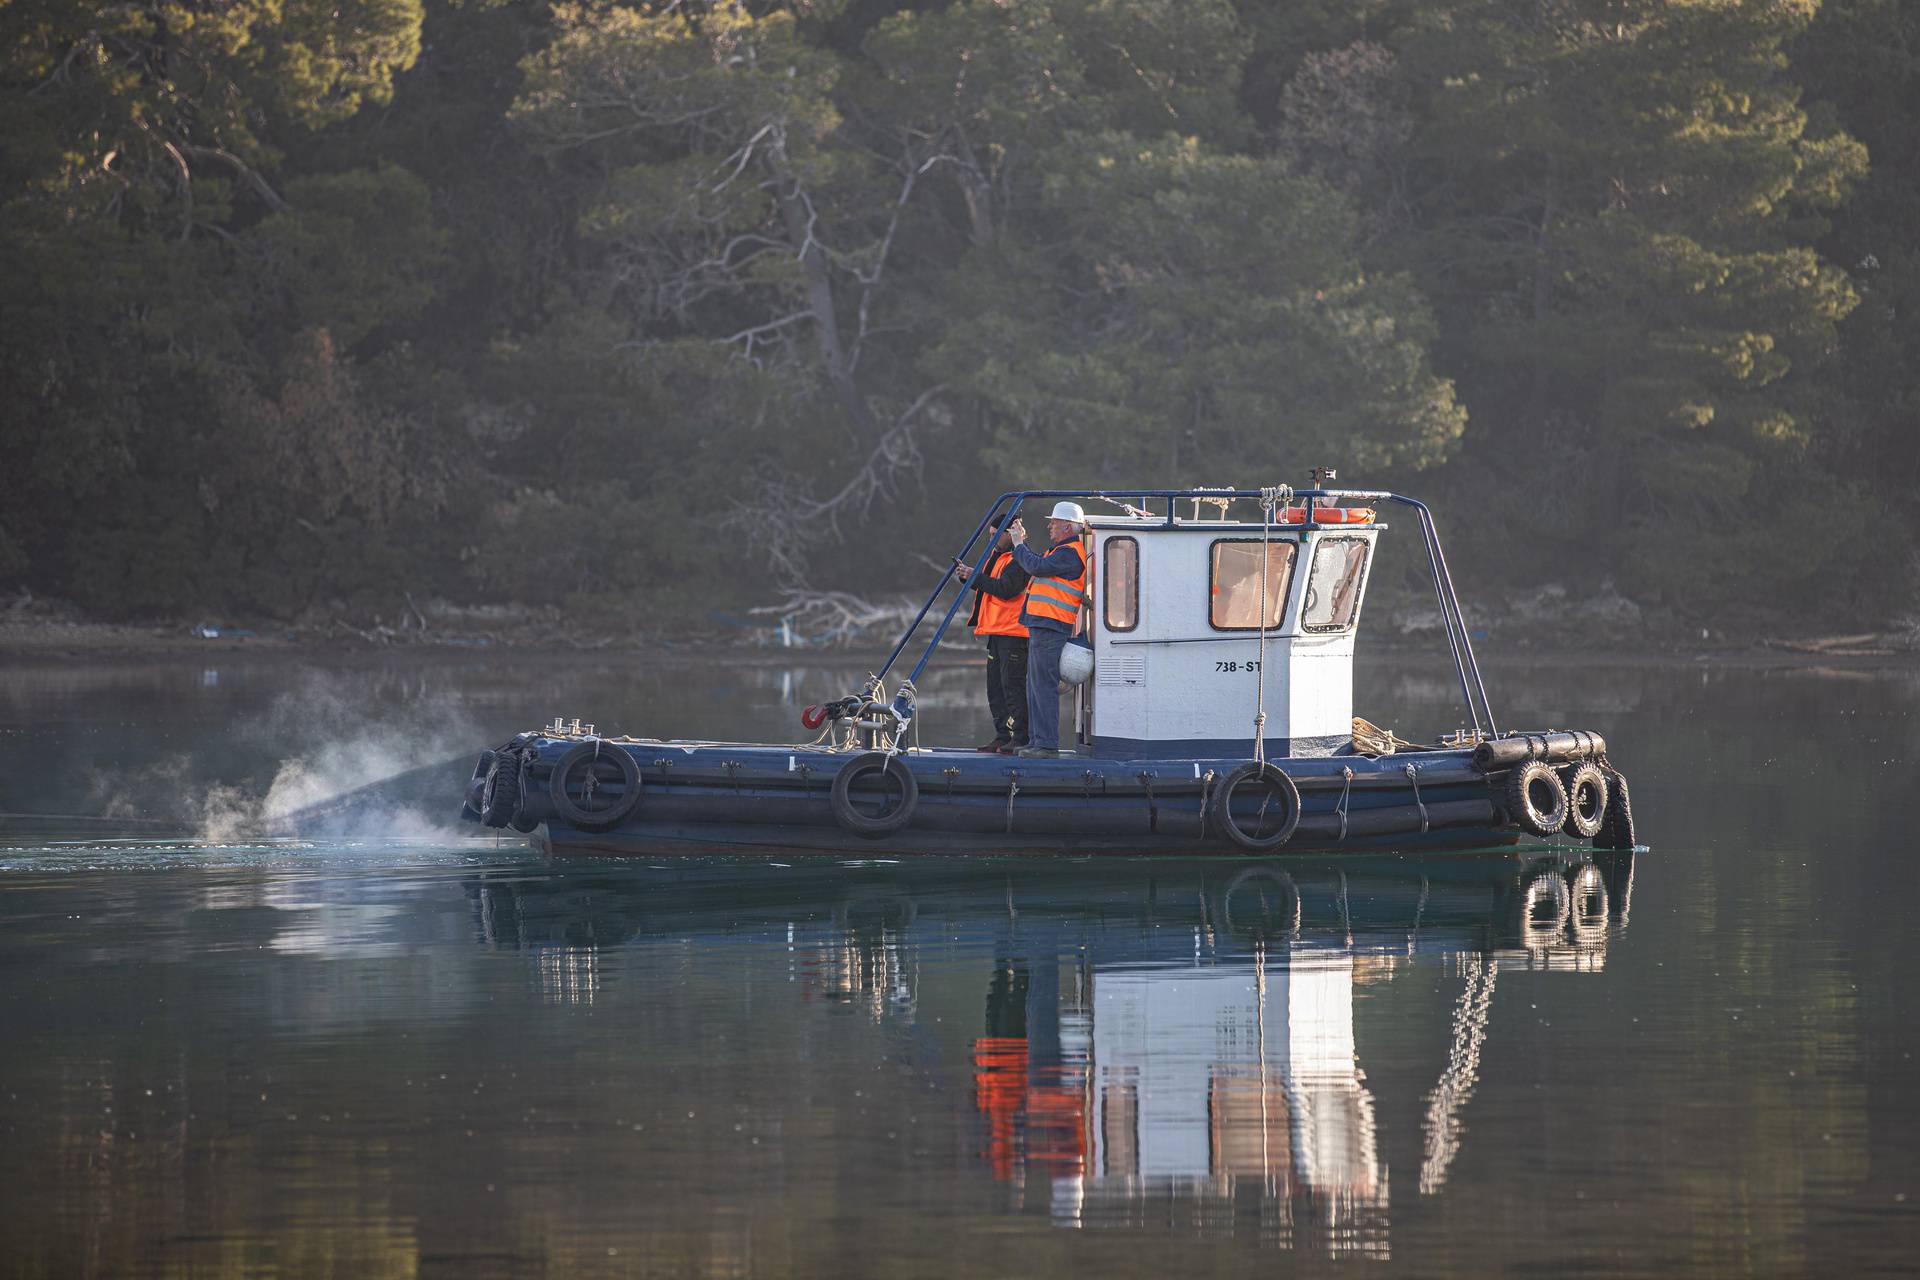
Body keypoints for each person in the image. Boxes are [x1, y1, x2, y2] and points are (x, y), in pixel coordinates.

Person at [1009, 501, 1089, 758]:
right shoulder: (1060, 551)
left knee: (1043, 685)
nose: (1049, 525)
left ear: (1067, 526)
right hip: (1043, 625)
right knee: (1035, 685)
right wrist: (1021, 546)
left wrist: (1018, 544)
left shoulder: (1069, 553)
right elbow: (1036, 565)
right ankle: (1037, 741)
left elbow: (1035, 567)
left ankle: (1045, 744)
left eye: (1054, 522)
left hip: (1051, 626)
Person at [953, 522, 1031, 752]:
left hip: (1015, 634)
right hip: (997, 633)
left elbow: (1007, 589)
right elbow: (985, 584)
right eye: (989, 535)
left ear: (1010, 534)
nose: (991, 540)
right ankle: (1002, 736)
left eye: (996, 535)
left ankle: (1020, 738)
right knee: (994, 688)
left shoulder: (1020, 558)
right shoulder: (996, 556)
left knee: (1012, 687)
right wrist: (967, 576)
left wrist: (974, 576)